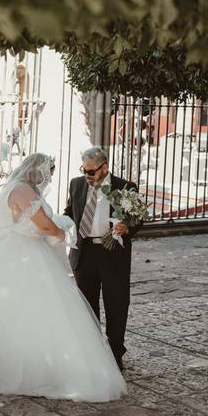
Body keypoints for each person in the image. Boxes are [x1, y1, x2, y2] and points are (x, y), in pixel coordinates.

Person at [0, 153, 126, 401]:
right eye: (48, 174)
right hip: (27, 254)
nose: (47, 179)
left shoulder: (20, 189)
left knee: (20, 311)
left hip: (27, 251)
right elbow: (45, 227)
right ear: (39, 172)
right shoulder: (24, 192)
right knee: (37, 310)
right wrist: (62, 232)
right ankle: (37, 367)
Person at [64, 147, 142, 370]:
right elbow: (71, 211)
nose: (86, 176)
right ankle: (92, 352)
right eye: (84, 170)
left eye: (90, 172)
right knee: (86, 306)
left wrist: (127, 227)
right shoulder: (76, 184)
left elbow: (138, 220)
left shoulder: (125, 188)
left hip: (112, 255)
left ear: (104, 168)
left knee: (116, 304)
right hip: (84, 253)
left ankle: (116, 354)